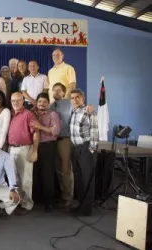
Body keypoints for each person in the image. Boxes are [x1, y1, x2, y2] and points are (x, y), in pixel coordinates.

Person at [8, 92, 39, 214]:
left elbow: (36, 133)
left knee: (25, 179)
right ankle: (18, 202)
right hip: (11, 149)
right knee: (14, 179)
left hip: (25, 149)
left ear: (23, 101)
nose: (15, 102)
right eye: (13, 100)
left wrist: (35, 151)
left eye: (18, 100)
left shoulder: (28, 115)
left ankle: (27, 205)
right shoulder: (11, 115)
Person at [69, 88, 98, 216]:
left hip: (86, 149)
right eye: (72, 98)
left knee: (87, 179)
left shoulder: (89, 112)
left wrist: (91, 149)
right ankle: (81, 205)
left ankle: (86, 210)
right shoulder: (73, 112)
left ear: (83, 99)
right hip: (75, 149)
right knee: (79, 178)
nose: (74, 100)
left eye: (77, 97)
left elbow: (94, 131)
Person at [30, 93, 61, 212]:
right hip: (34, 146)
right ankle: (37, 200)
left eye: (44, 102)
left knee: (47, 174)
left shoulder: (53, 114)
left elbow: (55, 131)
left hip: (48, 147)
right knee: (35, 173)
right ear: (36, 103)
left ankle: (49, 202)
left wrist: (40, 126)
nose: (42, 104)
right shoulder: (32, 113)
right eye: (39, 102)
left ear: (48, 103)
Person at [50, 83, 74, 208]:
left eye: (59, 90)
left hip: (65, 140)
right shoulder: (50, 106)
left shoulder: (69, 104)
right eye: (54, 90)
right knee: (58, 170)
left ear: (64, 93)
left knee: (66, 170)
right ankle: (62, 195)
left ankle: (68, 197)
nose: (56, 93)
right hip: (53, 141)